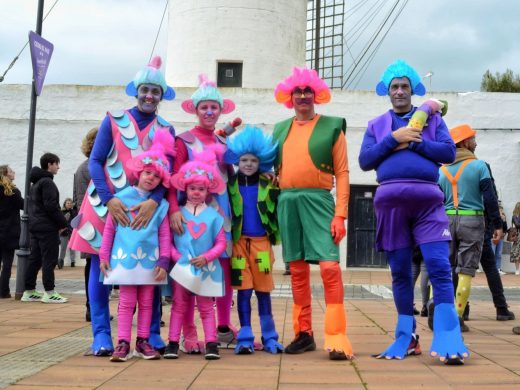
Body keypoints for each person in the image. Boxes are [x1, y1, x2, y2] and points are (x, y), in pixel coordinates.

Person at [359, 59, 468, 364]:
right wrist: (394, 139)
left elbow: (447, 153)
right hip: (390, 204)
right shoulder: (376, 125)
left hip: (428, 202)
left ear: (413, 90)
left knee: (439, 265)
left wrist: (414, 141)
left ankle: (449, 336)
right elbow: (366, 160)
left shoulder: (433, 121)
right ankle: (407, 337)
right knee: (401, 274)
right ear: (387, 91)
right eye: (394, 86)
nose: (399, 91)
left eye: (405, 86)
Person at [69, 56, 175, 356]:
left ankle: (151, 333)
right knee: (98, 269)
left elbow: (168, 173)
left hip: (145, 211)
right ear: (135, 90)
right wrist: (109, 198)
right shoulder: (113, 119)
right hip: (106, 206)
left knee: (150, 265)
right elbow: (96, 160)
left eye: (156, 91)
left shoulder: (167, 129)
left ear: (162, 95)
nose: (149, 96)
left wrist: (154, 202)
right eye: (145, 89)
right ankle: (101, 334)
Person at [273, 66, 352, 360]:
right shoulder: (280, 129)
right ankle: (303, 333)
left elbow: (343, 173)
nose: (303, 96)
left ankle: (337, 336)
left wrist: (340, 214)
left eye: (308, 91)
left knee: (330, 268)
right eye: (298, 91)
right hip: (287, 202)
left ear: (316, 94)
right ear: (289, 96)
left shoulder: (332, 126)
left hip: (320, 202)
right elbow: (268, 167)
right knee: (295, 269)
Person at [169, 74, 238, 351]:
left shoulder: (224, 144)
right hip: (190, 215)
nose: (209, 112)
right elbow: (173, 178)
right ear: (195, 110)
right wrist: (174, 209)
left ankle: (222, 325)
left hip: (221, 216)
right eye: (204, 107)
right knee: (188, 273)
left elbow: (230, 177)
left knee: (222, 269)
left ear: (221, 110)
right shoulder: (183, 140)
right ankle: (189, 333)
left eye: (214, 107)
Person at [99, 131, 173, 362]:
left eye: (156, 176)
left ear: (162, 181)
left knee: (148, 301)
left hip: (150, 262)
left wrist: (163, 260)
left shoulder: (159, 206)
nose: (150, 178)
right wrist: (103, 255)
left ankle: (142, 341)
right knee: (126, 301)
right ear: (138, 173)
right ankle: (123, 342)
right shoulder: (121, 198)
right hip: (125, 260)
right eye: (147, 173)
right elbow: (110, 229)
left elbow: (164, 234)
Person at [223, 126, 283, 355]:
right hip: (238, 246)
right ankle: (245, 337)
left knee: (264, 291)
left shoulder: (269, 184)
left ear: (261, 162)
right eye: (244, 160)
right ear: (238, 160)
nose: (248, 164)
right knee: (244, 291)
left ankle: (270, 336)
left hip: (262, 247)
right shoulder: (229, 185)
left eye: (253, 161)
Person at [438, 124, 504, 331]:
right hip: (472, 221)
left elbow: (436, 198)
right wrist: (498, 224)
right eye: (473, 139)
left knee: (446, 267)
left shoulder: (441, 169)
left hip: (446, 221)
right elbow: (490, 198)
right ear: (465, 142)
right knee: (466, 269)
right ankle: (458, 316)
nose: (476, 142)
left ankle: (438, 310)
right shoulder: (479, 166)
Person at [164, 149, 227, 360]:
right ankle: (173, 342)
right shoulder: (177, 215)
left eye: (201, 189)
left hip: (206, 267)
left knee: (206, 307)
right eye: (192, 188)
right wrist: (176, 257)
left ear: (207, 190)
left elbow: (221, 243)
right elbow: (169, 241)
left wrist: (207, 257)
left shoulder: (213, 216)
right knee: (179, 305)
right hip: (182, 267)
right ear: (186, 188)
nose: (196, 192)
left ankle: (211, 343)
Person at [22, 153, 69, 304]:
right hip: (47, 227)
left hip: (35, 226)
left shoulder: (34, 184)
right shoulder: (47, 183)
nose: (58, 167)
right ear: (49, 164)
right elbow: (51, 206)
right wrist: (63, 224)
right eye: (57, 164)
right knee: (49, 259)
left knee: (35, 259)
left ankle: (28, 291)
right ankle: (49, 292)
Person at [73, 127, 98, 322]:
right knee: (94, 265)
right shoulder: (92, 166)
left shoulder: (83, 166)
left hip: (87, 220)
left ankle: (92, 306)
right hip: (94, 221)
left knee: (92, 264)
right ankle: (93, 306)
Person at [0, 165, 24, 299]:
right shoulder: (12, 191)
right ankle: (3, 291)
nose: (13, 172)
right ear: (5, 175)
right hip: (9, 232)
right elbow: (23, 205)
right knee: (7, 264)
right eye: (10, 171)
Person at [57, 198, 77, 269]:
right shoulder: (61, 212)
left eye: (70, 203)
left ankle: (73, 261)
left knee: (72, 247)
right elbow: (60, 221)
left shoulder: (73, 211)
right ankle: (60, 261)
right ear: (65, 204)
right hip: (64, 232)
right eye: (68, 203)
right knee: (63, 247)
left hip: (71, 231)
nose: (69, 204)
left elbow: (75, 219)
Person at [493, 205, 508, 273]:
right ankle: (492, 268)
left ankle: (498, 268)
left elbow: (505, 228)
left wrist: (504, 220)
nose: (501, 211)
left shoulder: (503, 218)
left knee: (499, 253)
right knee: (492, 253)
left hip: (501, 237)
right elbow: (491, 226)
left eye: (502, 210)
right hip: (494, 237)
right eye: (500, 210)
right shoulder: (493, 217)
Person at [510, 202, 520, 275]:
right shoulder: (514, 216)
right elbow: (517, 224)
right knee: (516, 253)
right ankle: (517, 270)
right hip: (518, 235)